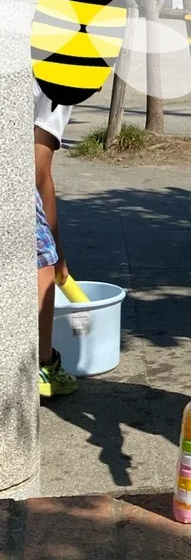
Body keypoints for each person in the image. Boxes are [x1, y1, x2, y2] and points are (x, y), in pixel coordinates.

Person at [34, 80, 77, 398]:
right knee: (42, 258)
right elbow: (37, 169)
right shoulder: (58, 76)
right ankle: (43, 361)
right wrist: (58, 249)